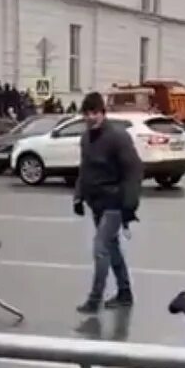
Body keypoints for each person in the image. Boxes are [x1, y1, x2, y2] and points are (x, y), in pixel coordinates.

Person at [73, 91, 143, 314]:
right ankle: (125, 293)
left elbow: (134, 169)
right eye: (87, 113)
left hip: (114, 202)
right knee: (112, 249)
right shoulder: (85, 139)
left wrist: (130, 205)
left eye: (95, 112)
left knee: (100, 247)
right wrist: (78, 195)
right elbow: (84, 169)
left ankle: (94, 300)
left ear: (103, 113)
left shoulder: (117, 137)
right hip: (96, 203)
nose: (91, 117)